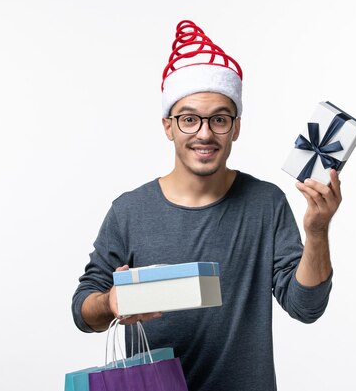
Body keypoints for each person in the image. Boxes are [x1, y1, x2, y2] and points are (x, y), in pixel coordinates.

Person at [72, 20, 342, 391]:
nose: (204, 133)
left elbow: (306, 307)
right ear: (168, 126)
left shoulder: (266, 204)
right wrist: (110, 302)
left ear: (236, 128)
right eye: (189, 119)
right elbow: (84, 311)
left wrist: (316, 231)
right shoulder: (129, 211)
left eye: (219, 119)